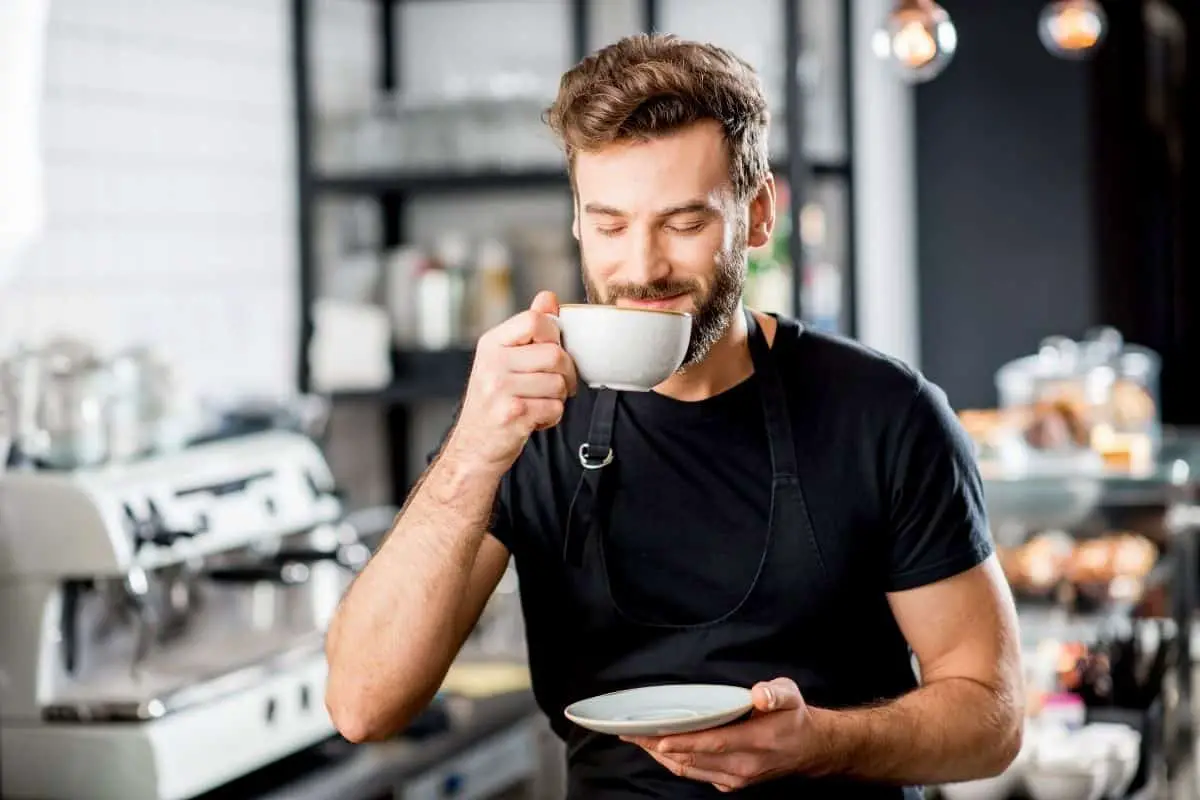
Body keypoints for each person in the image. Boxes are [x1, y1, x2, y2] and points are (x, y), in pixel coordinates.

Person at [324, 33, 1024, 798]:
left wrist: (821, 742)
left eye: (683, 223)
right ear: (578, 224)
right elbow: (362, 705)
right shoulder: (522, 419)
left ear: (756, 218)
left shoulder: (884, 414)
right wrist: (472, 454)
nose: (641, 267)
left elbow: (992, 717)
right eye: (611, 224)